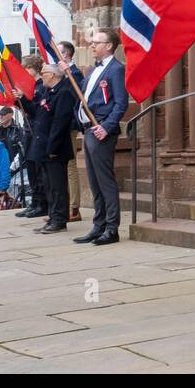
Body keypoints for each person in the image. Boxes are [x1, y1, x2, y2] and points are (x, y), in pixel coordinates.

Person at [72, 28, 128, 245]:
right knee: (94, 182)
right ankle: (99, 225)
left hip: (101, 132)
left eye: (97, 42)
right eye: (93, 42)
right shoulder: (93, 70)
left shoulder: (116, 70)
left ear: (109, 46)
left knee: (105, 181)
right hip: (88, 131)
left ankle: (112, 228)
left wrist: (107, 126)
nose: (92, 46)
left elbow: (120, 103)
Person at [34, 64, 75, 233]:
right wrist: (20, 99)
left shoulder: (64, 93)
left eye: (43, 73)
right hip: (44, 147)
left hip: (56, 148)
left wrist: (52, 147)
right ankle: (53, 216)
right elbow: (37, 112)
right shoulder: (47, 92)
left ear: (52, 75)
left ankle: (59, 219)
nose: (41, 76)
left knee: (58, 186)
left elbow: (60, 122)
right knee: (49, 186)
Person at [13, 56, 49, 218]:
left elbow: (35, 109)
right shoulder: (28, 85)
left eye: (26, 68)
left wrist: (23, 98)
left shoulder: (41, 86)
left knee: (38, 169)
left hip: (37, 131)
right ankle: (34, 202)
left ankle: (42, 203)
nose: (24, 71)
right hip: (28, 130)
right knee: (31, 169)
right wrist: (17, 99)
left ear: (35, 68)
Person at [57, 41, 84, 222]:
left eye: (58, 53)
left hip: (71, 125)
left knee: (71, 167)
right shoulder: (63, 73)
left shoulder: (74, 73)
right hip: (61, 125)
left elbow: (76, 98)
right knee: (63, 167)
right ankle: (64, 206)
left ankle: (74, 208)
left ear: (66, 55)